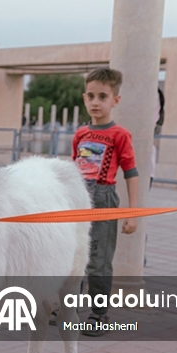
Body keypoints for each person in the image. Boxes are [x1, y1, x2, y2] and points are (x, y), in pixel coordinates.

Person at [71, 68, 139, 336]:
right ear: (84, 98)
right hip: (78, 200)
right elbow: (73, 169)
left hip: (104, 199)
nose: (95, 102)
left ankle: (99, 314)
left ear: (115, 100)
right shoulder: (80, 133)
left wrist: (132, 213)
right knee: (74, 254)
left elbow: (131, 173)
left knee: (98, 260)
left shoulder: (120, 134)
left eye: (103, 96)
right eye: (91, 96)